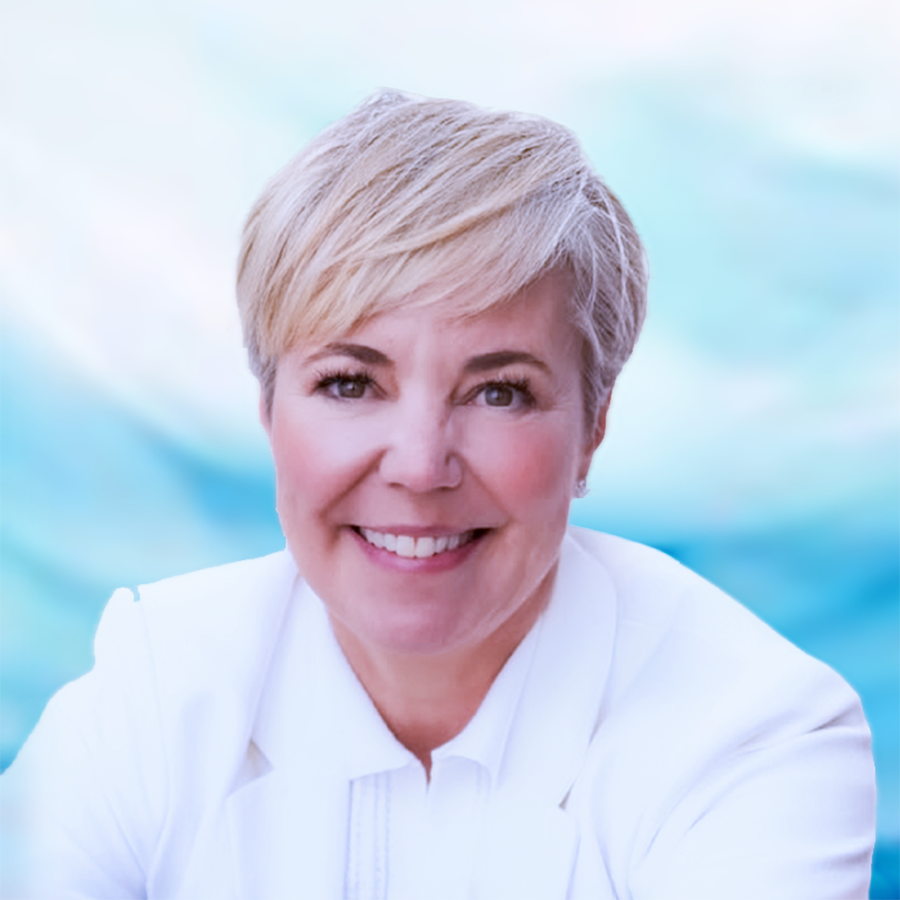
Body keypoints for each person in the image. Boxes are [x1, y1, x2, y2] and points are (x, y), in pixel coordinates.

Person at [7, 90, 875, 899]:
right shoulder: (157, 687)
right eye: (350, 382)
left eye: (499, 391)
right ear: (269, 409)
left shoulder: (755, 738)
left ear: (593, 428)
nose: (420, 467)